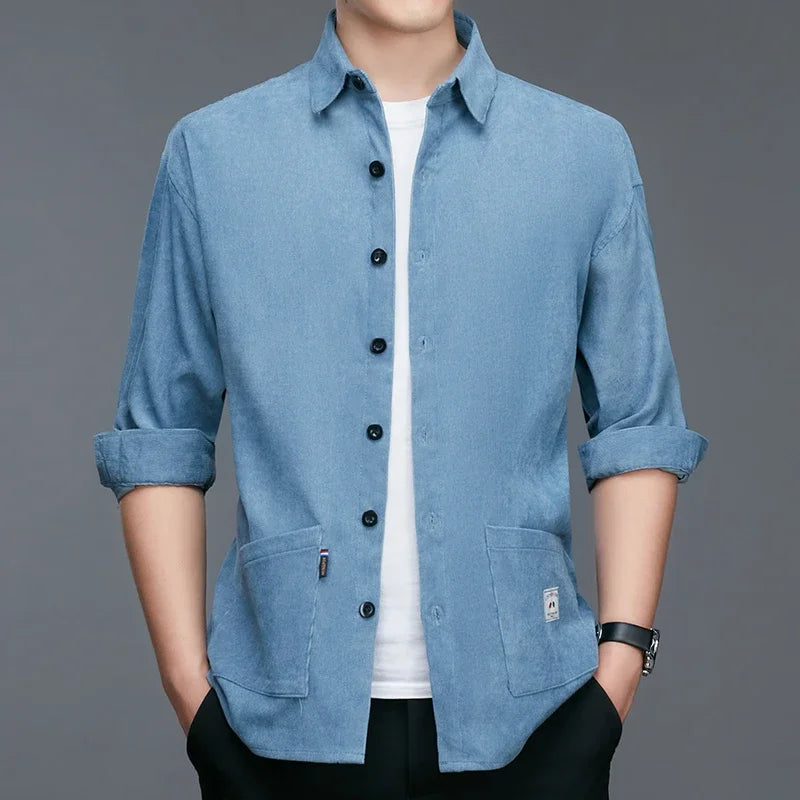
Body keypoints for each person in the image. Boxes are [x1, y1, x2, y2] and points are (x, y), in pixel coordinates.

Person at [92, 2, 709, 798]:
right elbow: (160, 436)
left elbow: (638, 426)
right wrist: (190, 694)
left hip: (536, 724)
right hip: (276, 730)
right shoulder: (214, 154)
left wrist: (617, 674)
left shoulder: (584, 153)